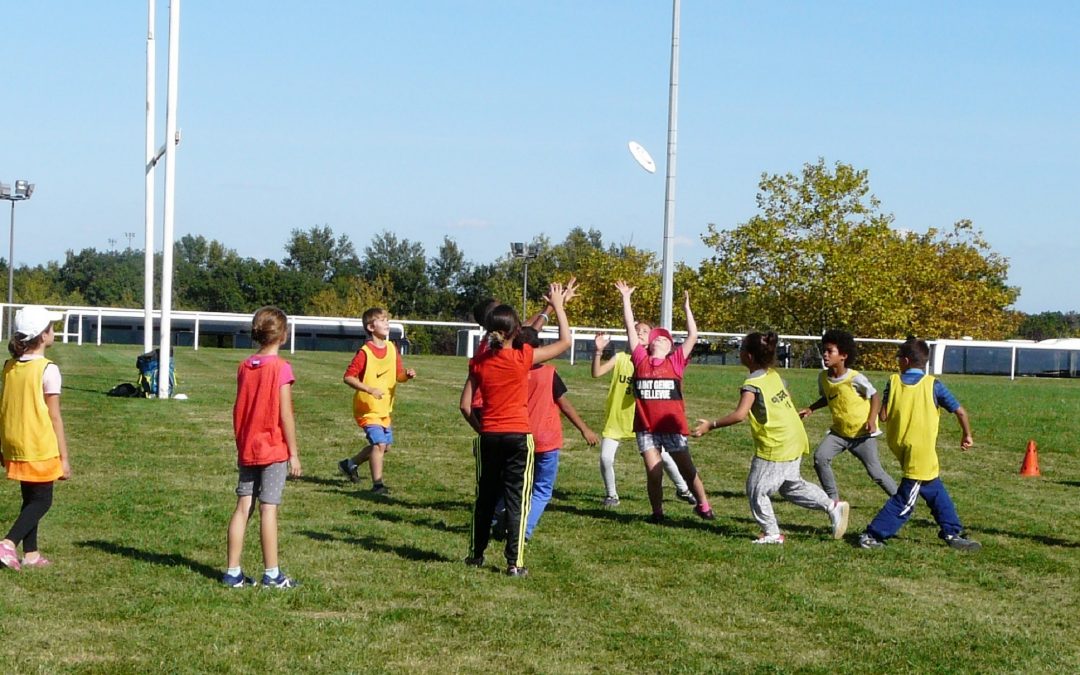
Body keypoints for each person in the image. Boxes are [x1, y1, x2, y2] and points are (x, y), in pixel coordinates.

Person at [692, 332, 850, 544]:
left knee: (756, 489)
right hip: (793, 437)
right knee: (790, 486)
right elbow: (786, 396)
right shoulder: (773, 375)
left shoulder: (752, 384)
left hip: (776, 444)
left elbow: (739, 415)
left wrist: (709, 425)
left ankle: (772, 533)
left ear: (748, 356)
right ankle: (833, 506)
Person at [460, 282, 572, 577]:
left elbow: (465, 405)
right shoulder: (523, 358)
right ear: (514, 332)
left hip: (490, 436)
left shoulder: (479, 362)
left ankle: (475, 555)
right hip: (519, 436)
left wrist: (483, 428)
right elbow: (564, 343)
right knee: (517, 500)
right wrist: (558, 306)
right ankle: (514, 563)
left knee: (485, 497)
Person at [858, 338, 980, 551]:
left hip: (901, 446)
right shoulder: (934, 385)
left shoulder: (893, 381)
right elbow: (960, 411)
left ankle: (951, 531)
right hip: (921, 449)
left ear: (905, 361)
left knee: (933, 489)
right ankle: (872, 535)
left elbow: (884, 416)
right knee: (907, 497)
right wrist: (966, 435)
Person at [615, 281, 713, 523]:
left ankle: (703, 505)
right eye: (655, 338)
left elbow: (693, 335)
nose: (658, 339)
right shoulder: (640, 359)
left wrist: (686, 308)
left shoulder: (676, 362)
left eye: (664, 338)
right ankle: (657, 513)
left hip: (672, 427)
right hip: (647, 427)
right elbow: (630, 326)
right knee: (654, 472)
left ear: (670, 346)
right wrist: (626, 298)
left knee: (687, 469)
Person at [492, 326, 599, 541]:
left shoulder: (511, 370)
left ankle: (495, 518)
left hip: (517, 435)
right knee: (541, 489)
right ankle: (524, 529)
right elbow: (564, 405)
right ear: (540, 348)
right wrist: (584, 429)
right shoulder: (548, 373)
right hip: (546, 440)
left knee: (513, 483)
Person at [224, 306, 302, 588]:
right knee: (269, 509)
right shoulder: (281, 368)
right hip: (272, 448)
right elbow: (285, 414)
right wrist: (293, 453)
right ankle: (272, 574)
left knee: (243, 505)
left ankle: (232, 572)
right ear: (283, 335)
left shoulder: (245, 366)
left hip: (247, 446)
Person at [591, 329, 697, 508]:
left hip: (645, 420)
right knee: (605, 458)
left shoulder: (658, 362)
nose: (639, 333)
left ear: (652, 339)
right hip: (618, 419)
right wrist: (598, 351)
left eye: (644, 331)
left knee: (665, 458)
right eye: (637, 330)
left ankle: (683, 489)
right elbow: (596, 373)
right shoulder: (622, 358)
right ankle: (611, 495)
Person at [0, 306, 71, 571]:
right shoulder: (47, 369)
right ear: (43, 336)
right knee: (43, 500)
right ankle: (8, 542)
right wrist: (63, 458)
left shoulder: (9, 366)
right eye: (51, 328)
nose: (54, 331)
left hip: (14, 443)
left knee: (30, 497)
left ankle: (31, 554)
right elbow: (55, 418)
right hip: (38, 444)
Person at [798, 330, 898, 501]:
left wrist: (871, 420)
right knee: (820, 458)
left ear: (843, 355)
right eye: (824, 351)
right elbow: (828, 397)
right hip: (839, 433)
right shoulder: (823, 377)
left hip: (862, 435)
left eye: (830, 351)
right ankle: (834, 502)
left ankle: (901, 501)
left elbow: (874, 396)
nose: (825, 355)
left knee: (876, 473)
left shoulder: (855, 378)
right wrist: (811, 408)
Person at [337, 307, 416, 495]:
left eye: (387, 319)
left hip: (384, 409)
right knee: (379, 445)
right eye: (382, 320)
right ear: (371, 327)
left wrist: (406, 375)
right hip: (367, 409)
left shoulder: (392, 348)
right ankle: (378, 485)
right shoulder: (364, 352)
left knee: (384, 447)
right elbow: (349, 377)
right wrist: (369, 389)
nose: (387, 323)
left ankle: (350, 464)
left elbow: (398, 375)